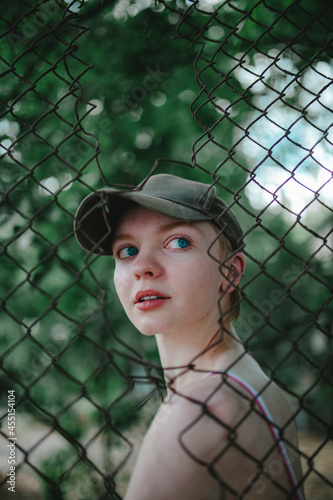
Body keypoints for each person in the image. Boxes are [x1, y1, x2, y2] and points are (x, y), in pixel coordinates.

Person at [74, 173, 305, 500]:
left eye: (178, 242)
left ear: (230, 271)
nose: (143, 266)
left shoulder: (201, 411)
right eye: (127, 250)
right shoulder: (251, 384)